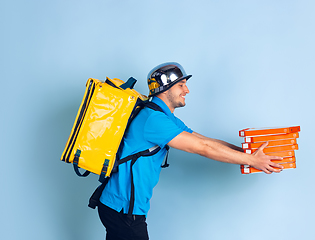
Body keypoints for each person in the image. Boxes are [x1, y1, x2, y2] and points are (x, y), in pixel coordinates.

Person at [97, 62, 283, 240]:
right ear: (165, 88)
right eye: (181, 85)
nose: (187, 90)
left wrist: (246, 153)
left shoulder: (163, 116)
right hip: (123, 209)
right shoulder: (154, 120)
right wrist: (252, 161)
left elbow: (203, 140)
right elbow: (203, 148)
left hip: (119, 206)